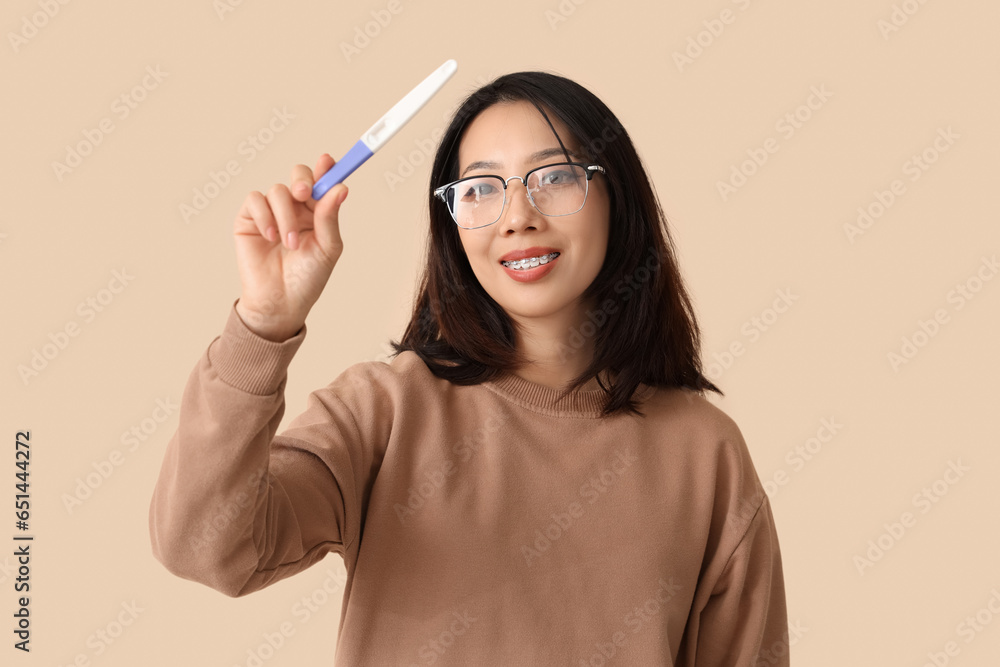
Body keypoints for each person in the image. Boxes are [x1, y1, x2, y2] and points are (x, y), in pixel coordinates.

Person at [149, 70, 789, 666]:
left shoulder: (707, 453)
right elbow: (205, 547)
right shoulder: (385, 411)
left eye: (556, 177)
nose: (517, 217)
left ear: (614, 194)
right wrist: (262, 324)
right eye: (481, 189)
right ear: (451, 225)